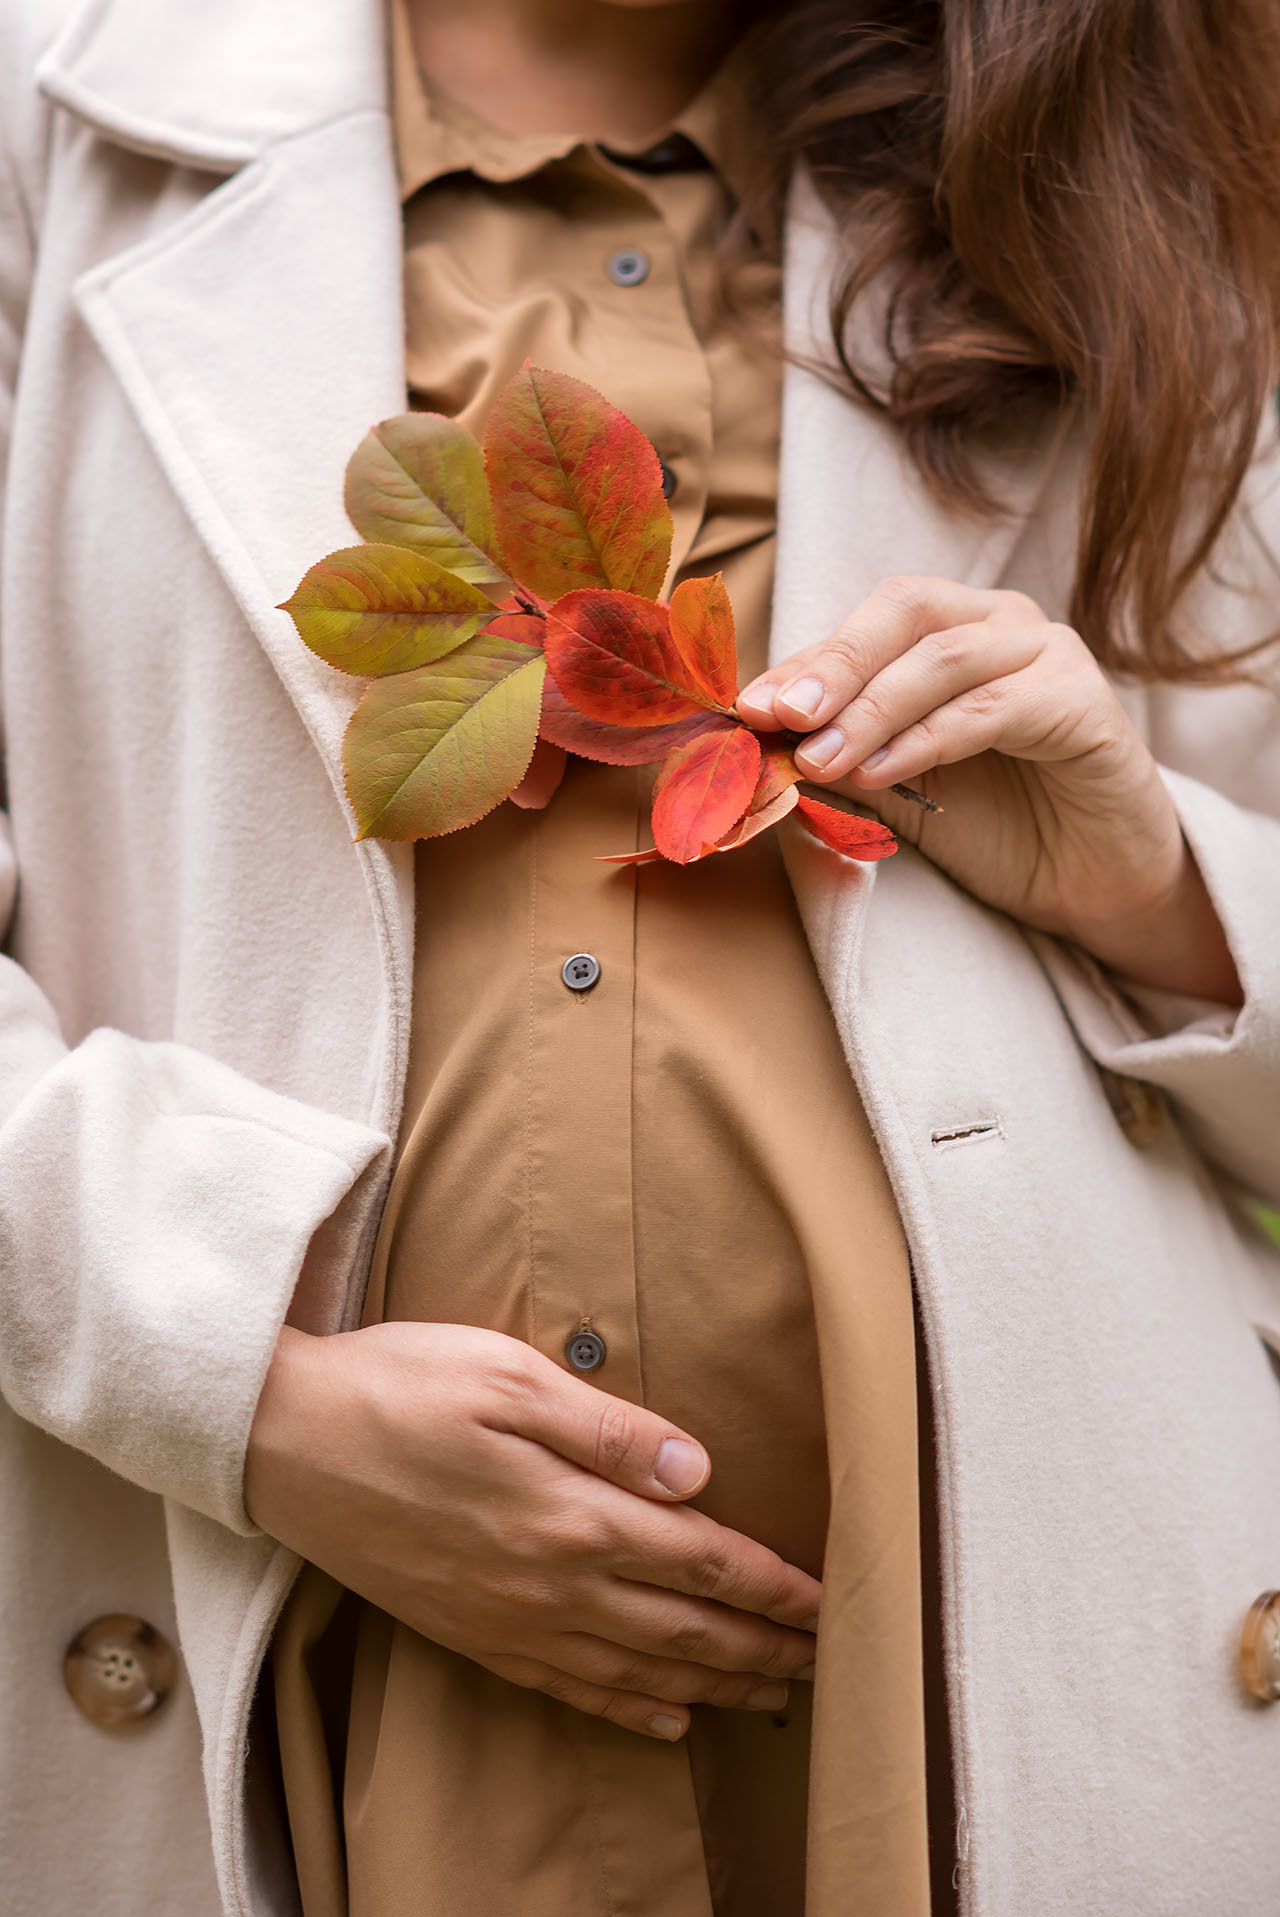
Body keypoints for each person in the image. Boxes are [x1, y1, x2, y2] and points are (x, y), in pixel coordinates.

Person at [2, 0, 1280, 1911]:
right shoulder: (56, 107)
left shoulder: (1149, 146)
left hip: (999, 1688)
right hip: (290, 1615)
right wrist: (242, 1388)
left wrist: (1159, 883)